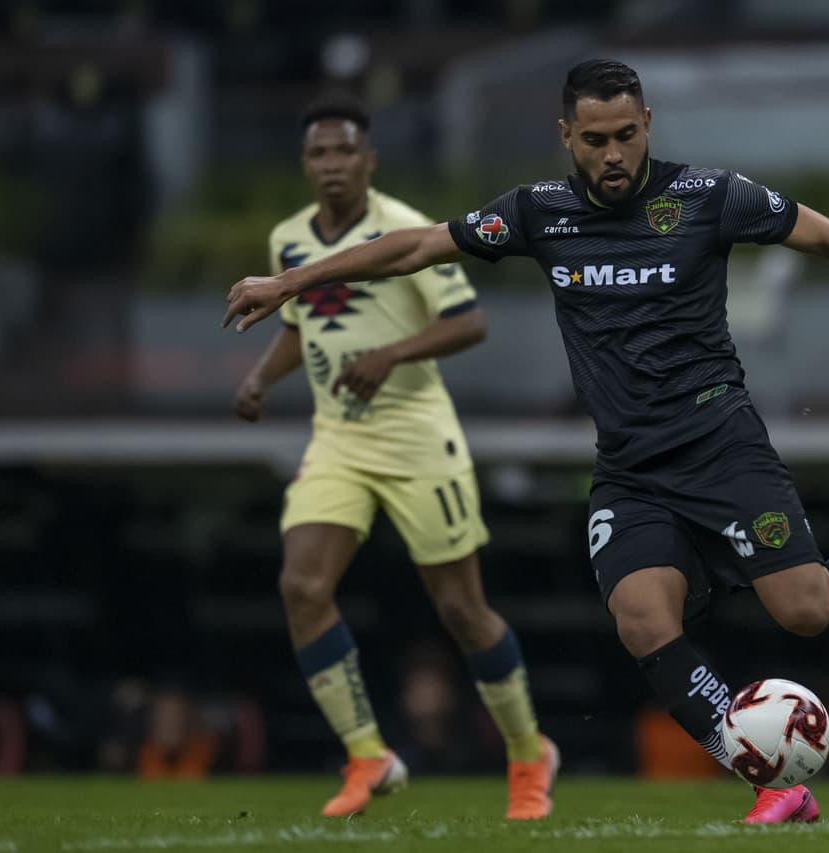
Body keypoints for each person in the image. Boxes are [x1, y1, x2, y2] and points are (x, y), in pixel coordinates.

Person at [224, 62, 829, 823]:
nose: (614, 155)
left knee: (807, 610)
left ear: (647, 124)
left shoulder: (709, 196)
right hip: (631, 472)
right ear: (566, 136)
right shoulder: (539, 211)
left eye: (626, 135)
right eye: (595, 139)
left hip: (723, 449)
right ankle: (771, 782)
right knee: (642, 618)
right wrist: (290, 282)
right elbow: (414, 246)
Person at [231, 94, 555, 819]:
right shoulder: (290, 239)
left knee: (462, 608)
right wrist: (258, 376)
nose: (333, 164)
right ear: (306, 164)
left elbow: (470, 321)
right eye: (320, 153)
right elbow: (300, 322)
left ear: (369, 160)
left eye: (345, 151)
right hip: (339, 437)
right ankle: (368, 754)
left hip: (415, 432)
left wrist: (392, 353)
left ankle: (530, 752)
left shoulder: (405, 227)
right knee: (302, 585)